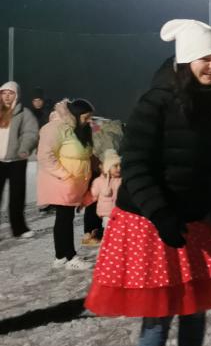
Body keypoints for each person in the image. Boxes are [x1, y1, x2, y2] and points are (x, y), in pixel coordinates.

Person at [85, 20, 211, 346]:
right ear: (186, 60)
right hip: (148, 220)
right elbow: (136, 165)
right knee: (159, 313)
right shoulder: (155, 103)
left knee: (195, 308)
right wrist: (161, 213)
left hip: (192, 217)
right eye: (205, 59)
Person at [37, 98, 95, 269]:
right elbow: (45, 156)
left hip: (74, 183)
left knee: (64, 218)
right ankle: (70, 257)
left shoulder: (79, 130)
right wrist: (65, 176)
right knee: (65, 219)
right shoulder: (57, 127)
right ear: (76, 115)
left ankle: (60, 256)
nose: (89, 120)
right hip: (62, 181)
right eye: (86, 117)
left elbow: (85, 154)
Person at [0, 81, 38, 239]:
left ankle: (19, 228)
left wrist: (24, 148)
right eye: (4, 93)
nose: (7, 96)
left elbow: (30, 133)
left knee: (17, 196)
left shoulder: (24, 112)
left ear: (16, 95)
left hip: (17, 160)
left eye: (11, 93)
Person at [90, 148, 122, 231]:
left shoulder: (121, 180)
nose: (119, 168)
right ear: (108, 167)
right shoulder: (99, 181)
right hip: (106, 214)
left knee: (119, 232)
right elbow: (93, 195)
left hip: (121, 213)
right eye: (115, 166)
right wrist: (83, 202)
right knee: (108, 231)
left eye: (120, 166)